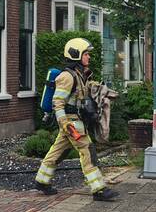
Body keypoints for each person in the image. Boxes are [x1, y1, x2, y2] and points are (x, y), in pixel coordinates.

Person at [35, 38, 119, 201]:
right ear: (76, 54)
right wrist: (65, 124)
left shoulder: (79, 75)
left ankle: (42, 181)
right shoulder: (67, 77)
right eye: (86, 54)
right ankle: (99, 189)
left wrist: (100, 89)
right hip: (72, 123)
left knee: (58, 151)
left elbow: (84, 90)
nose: (89, 57)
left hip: (74, 121)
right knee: (88, 152)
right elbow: (57, 103)